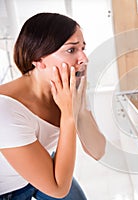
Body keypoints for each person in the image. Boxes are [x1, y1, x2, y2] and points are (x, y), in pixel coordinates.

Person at [0, 13, 106, 199]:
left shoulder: (66, 88)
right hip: (7, 189)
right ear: (38, 60)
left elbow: (97, 151)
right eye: (72, 50)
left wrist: (78, 106)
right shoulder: (5, 111)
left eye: (83, 48)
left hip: (40, 166)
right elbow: (57, 189)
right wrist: (68, 114)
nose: (84, 59)